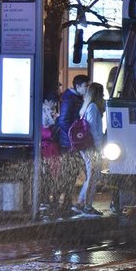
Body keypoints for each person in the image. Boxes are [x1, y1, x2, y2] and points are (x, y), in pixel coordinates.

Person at [57, 74, 89, 218]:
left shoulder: (74, 98)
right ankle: (64, 204)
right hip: (69, 143)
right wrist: (75, 135)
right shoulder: (70, 99)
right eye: (85, 86)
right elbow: (63, 121)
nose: (87, 88)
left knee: (71, 173)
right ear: (78, 87)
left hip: (71, 143)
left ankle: (65, 203)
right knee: (69, 173)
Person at [74, 82, 105, 217]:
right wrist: (100, 147)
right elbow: (93, 129)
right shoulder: (93, 107)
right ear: (97, 94)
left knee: (92, 175)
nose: (103, 96)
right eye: (102, 93)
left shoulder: (87, 106)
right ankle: (86, 205)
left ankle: (82, 203)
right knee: (92, 176)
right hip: (92, 148)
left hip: (88, 147)